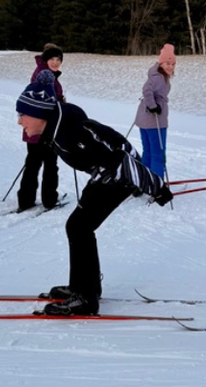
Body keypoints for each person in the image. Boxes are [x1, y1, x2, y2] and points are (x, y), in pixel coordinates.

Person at [15, 70, 173, 316]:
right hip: (104, 175)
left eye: (23, 115)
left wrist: (156, 187)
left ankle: (86, 298)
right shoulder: (56, 129)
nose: (19, 121)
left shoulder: (72, 133)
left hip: (119, 177)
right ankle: (84, 289)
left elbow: (121, 158)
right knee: (78, 227)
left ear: (39, 114)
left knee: (78, 227)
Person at [16, 44, 68, 212]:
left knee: (33, 163)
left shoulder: (40, 74)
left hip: (32, 130)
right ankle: (49, 199)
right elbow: (49, 105)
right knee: (50, 164)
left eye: (58, 59)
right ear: (46, 60)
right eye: (52, 59)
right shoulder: (46, 77)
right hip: (45, 129)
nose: (55, 62)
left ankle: (26, 200)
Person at [135, 43, 175, 179]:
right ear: (161, 63)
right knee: (158, 154)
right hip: (154, 121)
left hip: (145, 120)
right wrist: (153, 106)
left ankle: (145, 181)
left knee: (148, 152)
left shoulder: (156, 75)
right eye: (167, 63)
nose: (170, 67)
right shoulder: (158, 77)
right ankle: (157, 185)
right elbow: (146, 90)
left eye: (173, 64)